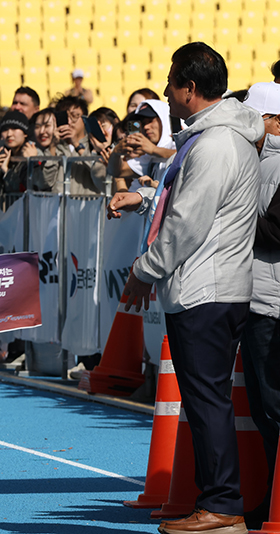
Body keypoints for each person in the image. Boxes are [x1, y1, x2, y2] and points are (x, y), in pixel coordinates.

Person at [109, 42, 264, 534]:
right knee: (206, 400)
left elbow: (187, 223)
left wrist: (144, 268)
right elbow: (184, 200)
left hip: (207, 288)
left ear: (190, 89)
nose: (168, 97)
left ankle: (222, 505)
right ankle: (218, 502)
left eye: (172, 85)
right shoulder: (211, 138)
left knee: (207, 401)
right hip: (207, 285)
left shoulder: (216, 143)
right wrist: (146, 196)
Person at [236, 81, 280, 530]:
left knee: (272, 407)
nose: (247, 124)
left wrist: (234, 215)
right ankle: (271, 502)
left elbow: (278, 232)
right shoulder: (254, 160)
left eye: (256, 116)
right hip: (256, 297)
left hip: (271, 302)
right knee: (263, 410)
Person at [111, 100, 176, 192]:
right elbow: (117, 171)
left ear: (164, 119)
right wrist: (115, 153)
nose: (146, 127)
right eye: (143, 123)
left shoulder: (178, 143)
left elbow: (185, 154)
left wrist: (154, 149)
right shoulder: (148, 153)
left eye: (150, 121)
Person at [0, 111, 33, 204]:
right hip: (12, 214)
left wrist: (7, 172)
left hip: (33, 214)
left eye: (15, 128)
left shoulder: (33, 152)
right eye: (5, 129)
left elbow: (29, 188)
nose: (9, 134)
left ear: (25, 133)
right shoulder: (4, 155)